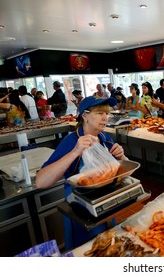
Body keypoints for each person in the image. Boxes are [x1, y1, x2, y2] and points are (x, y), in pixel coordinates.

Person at [35, 96, 127, 250]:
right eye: (99, 113)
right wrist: (75, 152)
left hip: (105, 203)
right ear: (84, 115)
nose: (105, 117)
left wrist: (122, 156)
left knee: (108, 247)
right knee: (88, 250)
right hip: (82, 210)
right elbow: (41, 181)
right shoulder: (71, 141)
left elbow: (119, 170)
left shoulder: (104, 138)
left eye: (107, 113)